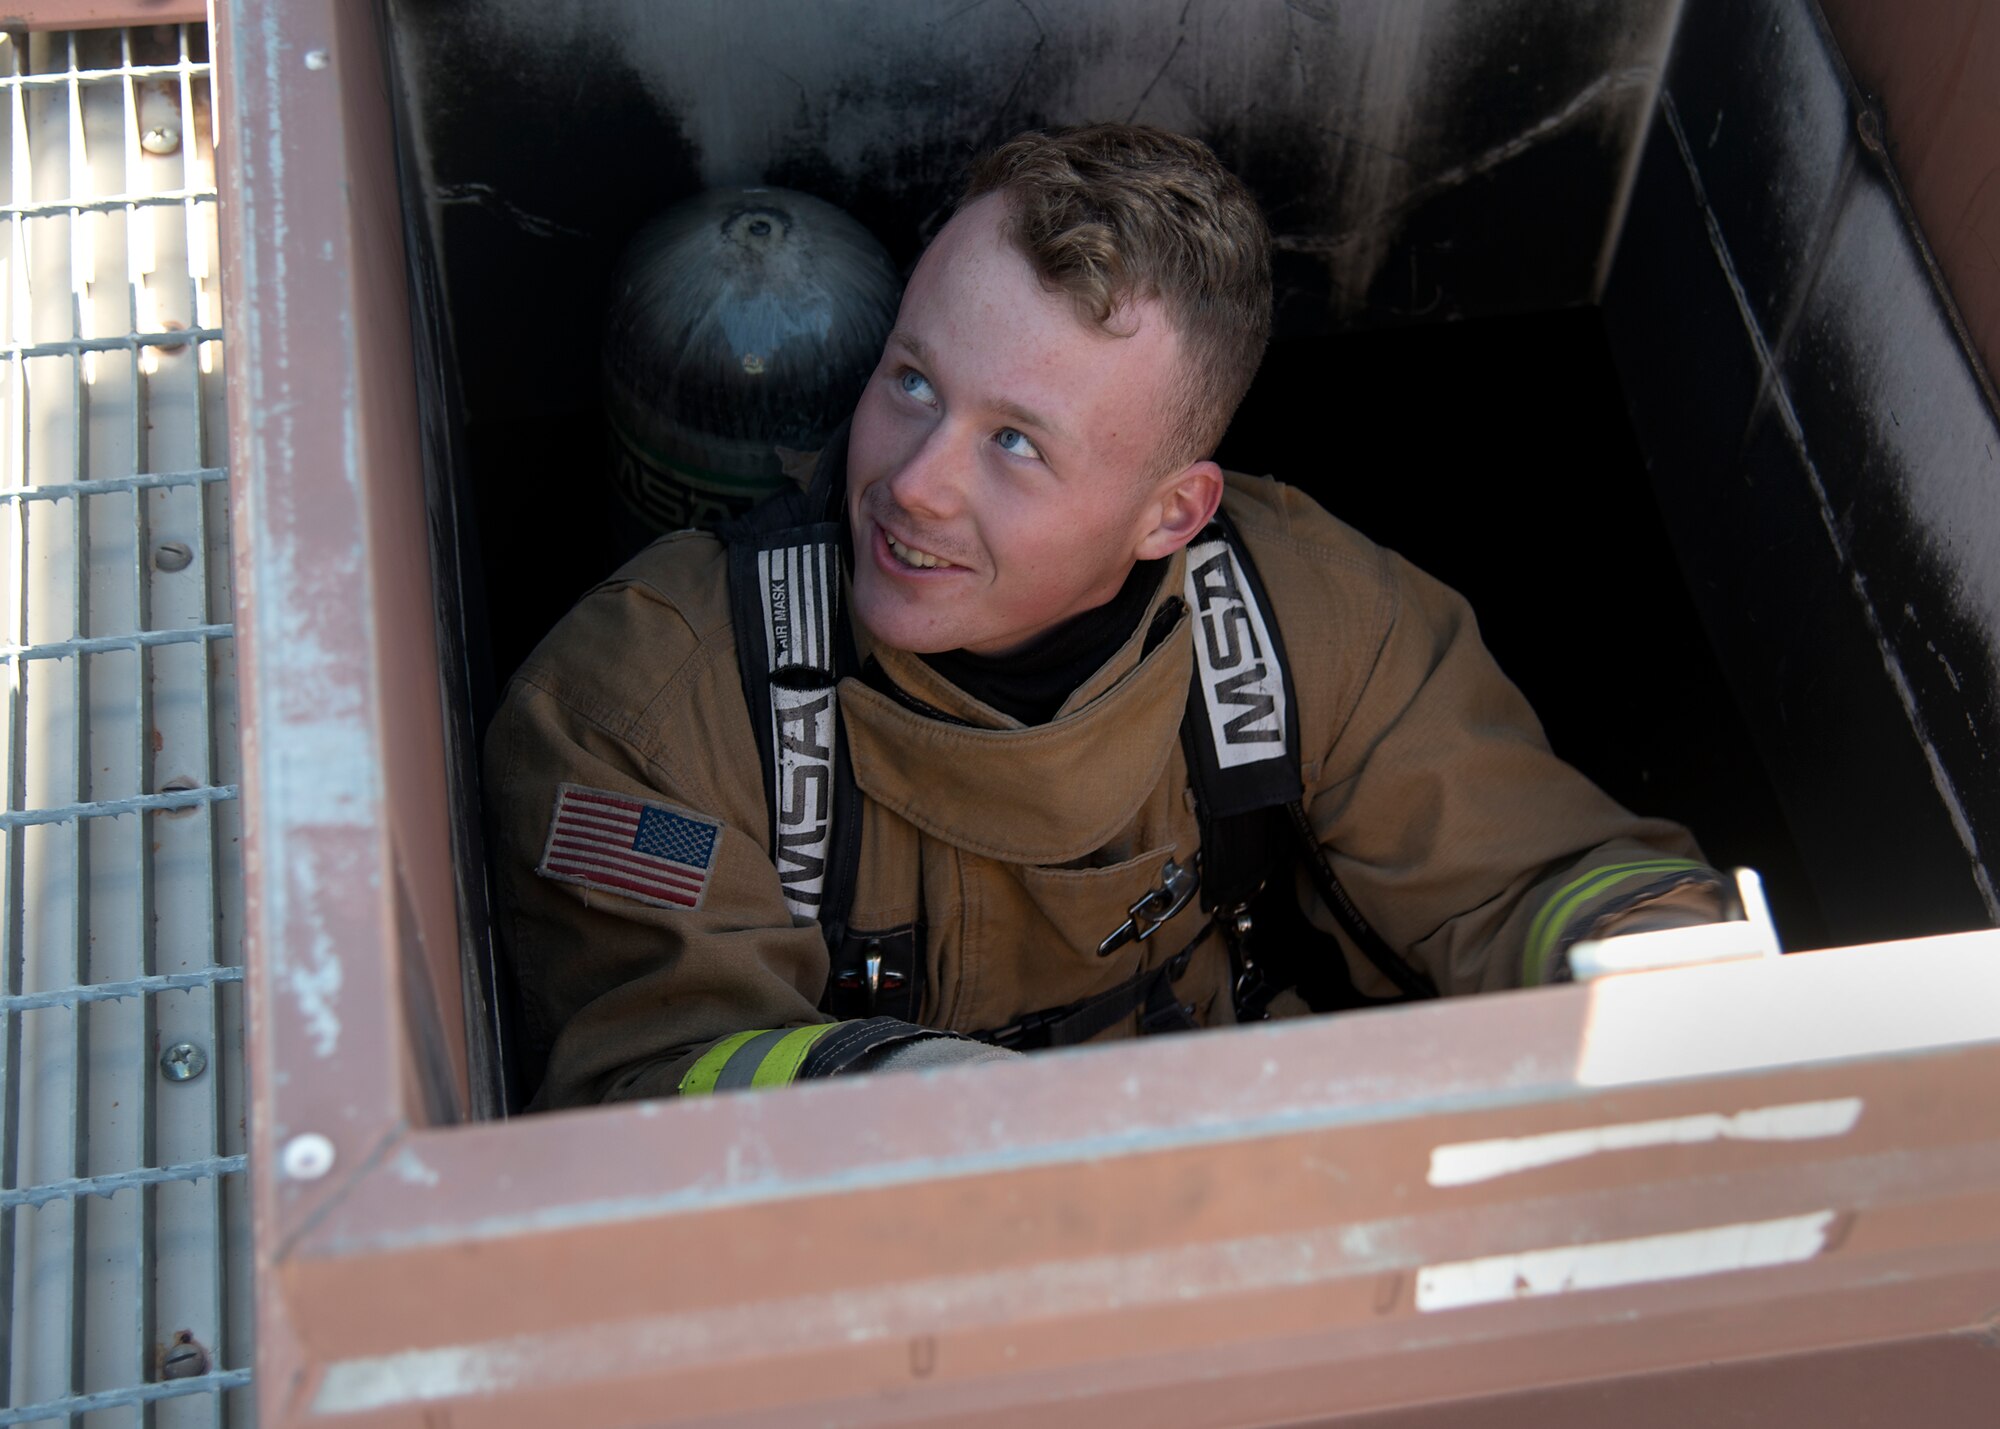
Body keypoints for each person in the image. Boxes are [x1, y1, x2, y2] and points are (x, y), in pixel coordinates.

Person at [485, 124, 1729, 1109]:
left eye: (1014, 443)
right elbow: (643, 1082)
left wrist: (1673, 977)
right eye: (911, 380)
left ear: (1169, 514)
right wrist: (937, 1112)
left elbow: (1534, 876)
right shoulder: (645, 709)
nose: (910, 480)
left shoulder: (1305, 616)